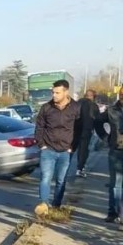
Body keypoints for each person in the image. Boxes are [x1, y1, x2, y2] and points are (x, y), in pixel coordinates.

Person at [34, 79, 80, 216]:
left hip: (66, 151)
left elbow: (79, 129)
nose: (54, 95)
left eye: (57, 93)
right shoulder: (46, 108)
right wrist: (41, 144)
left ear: (66, 92)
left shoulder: (76, 108)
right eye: (53, 92)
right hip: (48, 149)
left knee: (61, 180)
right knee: (45, 178)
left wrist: (72, 147)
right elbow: (39, 127)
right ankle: (44, 204)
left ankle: (56, 205)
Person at [94, 86, 123, 223]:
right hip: (116, 150)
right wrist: (106, 138)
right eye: (121, 94)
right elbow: (97, 122)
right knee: (116, 184)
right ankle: (113, 212)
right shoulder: (111, 110)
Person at [73, 89, 100, 177]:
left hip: (75, 130)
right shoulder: (93, 105)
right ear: (93, 97)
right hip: (87, 131)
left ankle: (63, 169)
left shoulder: (77, 103)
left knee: (71, 149)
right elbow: (97, 119)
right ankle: (80, 168)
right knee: (83, 150)